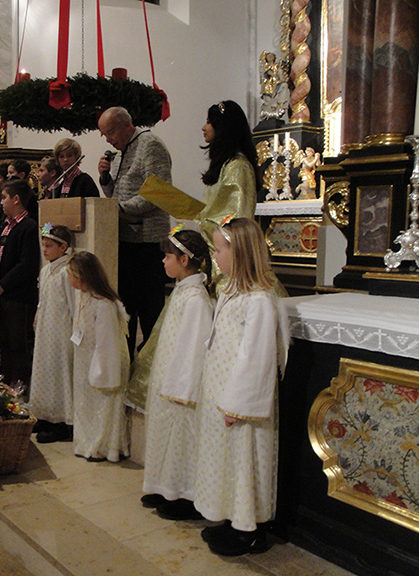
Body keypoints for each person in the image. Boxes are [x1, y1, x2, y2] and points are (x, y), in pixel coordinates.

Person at [194, 217, 289, 556]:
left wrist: (239, 404)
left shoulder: (260, 300)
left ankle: (248, 530)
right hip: (221, 396)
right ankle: (231, 520)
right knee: (226, 462)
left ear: (241, 252)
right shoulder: (232, 291)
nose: (215, 256)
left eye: (219, 249)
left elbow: (257, 358)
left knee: (244, 463)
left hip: (242, 404)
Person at [131, 228, 213, 520]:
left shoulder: (196, 299)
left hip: (181, 387)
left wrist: (181, 388)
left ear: (185, 259)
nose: (163, 262)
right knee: (164, 437)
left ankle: (184, 495)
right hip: (167, 380)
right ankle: (163, 487)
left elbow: (193, 349)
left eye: (168, 256)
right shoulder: (182, 291)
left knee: (181, 440)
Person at [97, 106, 172, 353]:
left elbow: (159, 193)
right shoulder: (120, 153)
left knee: (149, 312)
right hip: (124, 241)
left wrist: (120, 209)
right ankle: (124, 366)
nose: (107, 139)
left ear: (126, 124)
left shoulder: (151, 145)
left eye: (109, 132)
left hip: (147, 243)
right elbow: (116, 194)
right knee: (126, 310)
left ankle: (149, 372)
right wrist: (106, 180)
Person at [67, 251, 130, 463]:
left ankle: (102, 446)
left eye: (73, 275)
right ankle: (86, 442)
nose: (70, 280)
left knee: (102, 405)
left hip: (101, 363)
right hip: (84, 361)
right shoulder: (83, 296)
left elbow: (108, 344)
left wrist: (102, 371)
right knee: (86, 405)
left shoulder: (104, 305)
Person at [196, 100, 259, 295]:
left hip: (228, 258)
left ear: (222, 128)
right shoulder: (226, 165)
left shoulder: (238, 167)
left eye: (209, 122)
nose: (203, 127)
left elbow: (238, 217)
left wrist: (203, 221)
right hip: (214, 249)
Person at [0, 179, 41, 385]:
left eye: (4, 197)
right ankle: (6, 381)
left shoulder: (29, 225)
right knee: (3, 341)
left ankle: (19, 385)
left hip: (17, 294)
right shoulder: (4, 225)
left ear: (16, 199)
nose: (0, 202)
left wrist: (3, 285)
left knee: (17, 342)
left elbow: (27, 264)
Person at [29, 224, 75, 443]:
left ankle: (62, 423)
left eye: (49, 246)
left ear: (63, 247)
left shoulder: (68, 272)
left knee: (59, 375)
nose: (44, 250)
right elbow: (42, 299)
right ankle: (45, 416)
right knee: (43, 371)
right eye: (43, 245)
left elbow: (74, 306)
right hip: (46, 330)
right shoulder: (46, 269)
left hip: (61, 332)